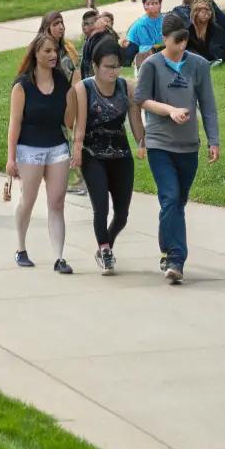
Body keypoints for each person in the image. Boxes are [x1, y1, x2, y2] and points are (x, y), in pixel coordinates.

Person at [135, 11, 219, 285]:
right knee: (170, 197)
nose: (182, 46)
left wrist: (213, 140)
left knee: (177, 203)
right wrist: (169, 110)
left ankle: (166, 248)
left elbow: (207, 105)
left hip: (188, 145)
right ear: (164, 39)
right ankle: (176, 259)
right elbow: (142, 99)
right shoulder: (151, 66)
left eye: (185, 40)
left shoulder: (199, 65)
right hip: (160, 143)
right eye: (176, 41)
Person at [71, 35, 145, 273]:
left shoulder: (126, 87)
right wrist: (77, 150)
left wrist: (141, 143)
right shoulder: (84, 88)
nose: (114, 72)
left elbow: (135, 119)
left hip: (121, 155)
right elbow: (79, 124)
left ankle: (107, 244)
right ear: (95, 66)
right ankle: (104, 250)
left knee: (122, 214)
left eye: (117, 66)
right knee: (100, 207)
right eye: (108, 67)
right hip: (93, 154)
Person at [6, 33, 77, 272]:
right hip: (29, 148)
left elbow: (68, 122)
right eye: (47, 51)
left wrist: (73, 92)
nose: (53, 55)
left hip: (57, 146)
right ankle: (20, 247)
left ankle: (59, 257)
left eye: (55, 50)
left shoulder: (62, 81)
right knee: (28, 199)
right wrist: (10, 158)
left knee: (57, 202)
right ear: (36, 54)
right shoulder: (22, 85)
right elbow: (14, 123)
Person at [121, 0, 164, 73]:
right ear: (144, 6)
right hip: (141, 55)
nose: (152, 6)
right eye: (148, 4)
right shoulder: (141, 24)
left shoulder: (164, 20)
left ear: (160, 5)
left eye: (155, 3)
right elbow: (146, 48)